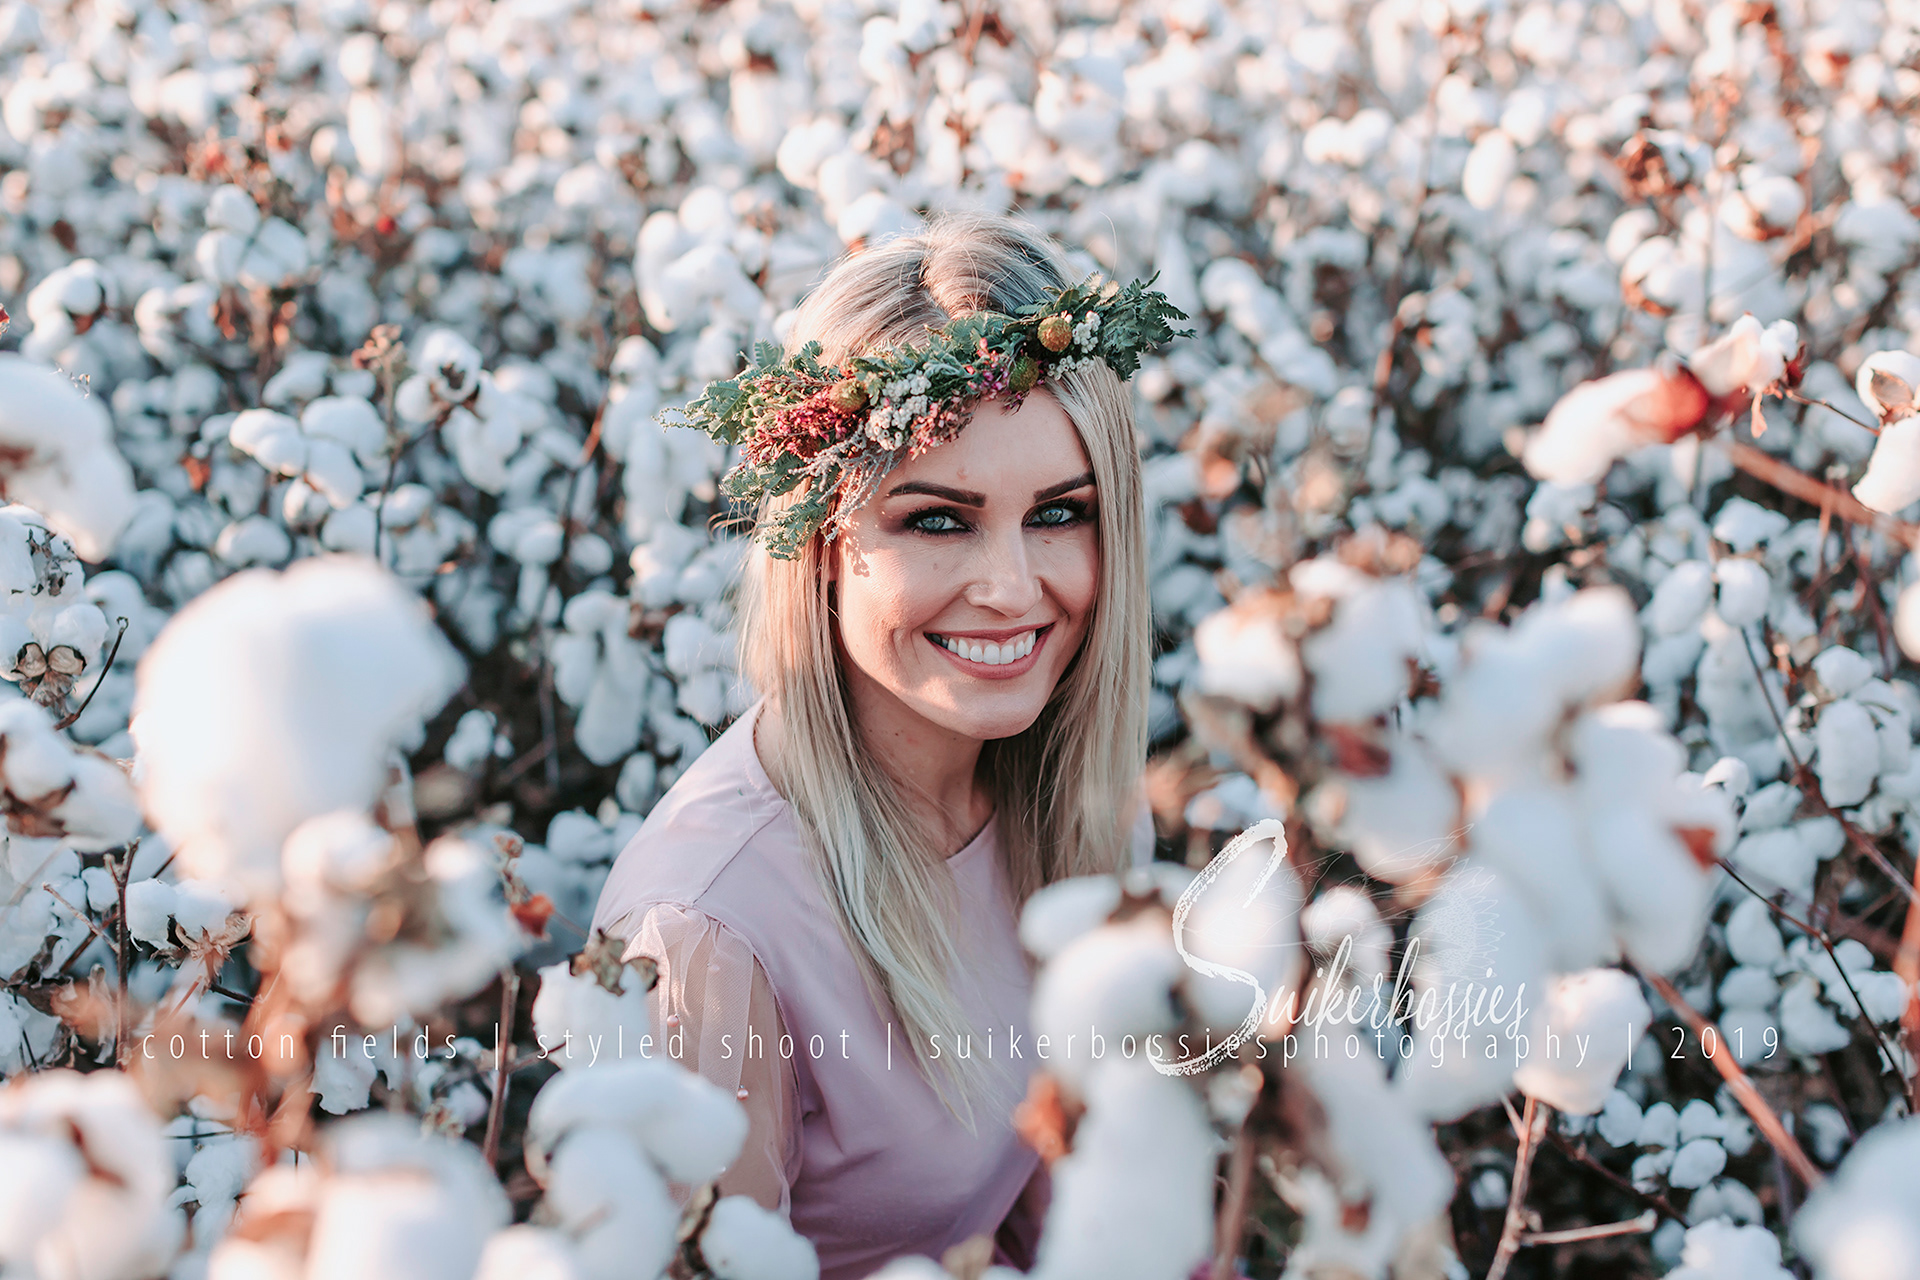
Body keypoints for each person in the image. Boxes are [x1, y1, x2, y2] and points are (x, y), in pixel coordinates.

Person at [589, 212, 1179, 1279]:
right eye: (939, 520)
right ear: (822, 543)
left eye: (1060, 513)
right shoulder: (715, 934)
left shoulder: (1076, 804)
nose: (1011, 586)